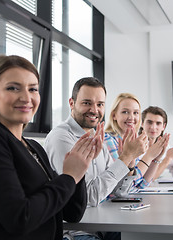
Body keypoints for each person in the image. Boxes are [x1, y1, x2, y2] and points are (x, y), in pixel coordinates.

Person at [0, 55, 98, 240]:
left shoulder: (33, 147)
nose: (26, 98)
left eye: (33, 89)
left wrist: (80, 169)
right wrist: (68, 177)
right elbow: (20, 219)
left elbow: (72, 213)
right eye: (13, 88)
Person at [44, 78, 146, 240]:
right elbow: (89, 198)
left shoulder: (95, 135)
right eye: (86, 103)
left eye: (100, 104)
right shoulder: (61, 138)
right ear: (72, 103)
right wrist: (125, 157)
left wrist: (130, 163)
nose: (94, 110)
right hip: (76, 232)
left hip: (102, 226)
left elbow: (118, 193)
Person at [104, 94, 171, 188]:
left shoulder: (133, 141)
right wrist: (149, 156)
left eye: (135, 113)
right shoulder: (107, 140)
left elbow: (142, 184)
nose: (131, 117)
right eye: (125, 112)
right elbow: (127, 185)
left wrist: (156, 159)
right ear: (114, 115)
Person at [139, 106, 173, 179]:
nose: (153, 127)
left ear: (163, 126)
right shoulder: (136, 145)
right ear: (142, 124)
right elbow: (146, 178)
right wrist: (168, 158)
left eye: (158, 123)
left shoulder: (163, 145)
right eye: (149, 122)